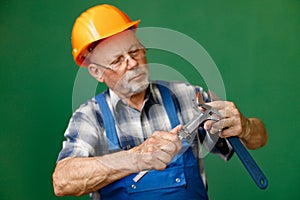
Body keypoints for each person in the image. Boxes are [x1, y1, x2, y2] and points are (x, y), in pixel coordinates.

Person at [52, 4, 268, 200]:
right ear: (97, 72)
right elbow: (63, 181)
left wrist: (246, 127)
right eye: (117, 60)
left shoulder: (187, 97)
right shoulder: (90, 116)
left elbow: (259, 138)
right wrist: (137, 158)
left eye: (135, 51)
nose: (132, 63)